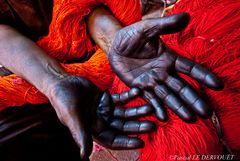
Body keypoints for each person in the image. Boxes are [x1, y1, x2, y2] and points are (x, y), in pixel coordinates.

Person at [1, 0, 235, 160]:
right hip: (21, 84)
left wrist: (114, 43)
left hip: (106, 57)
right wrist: (53, 81)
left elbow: (86, 6)